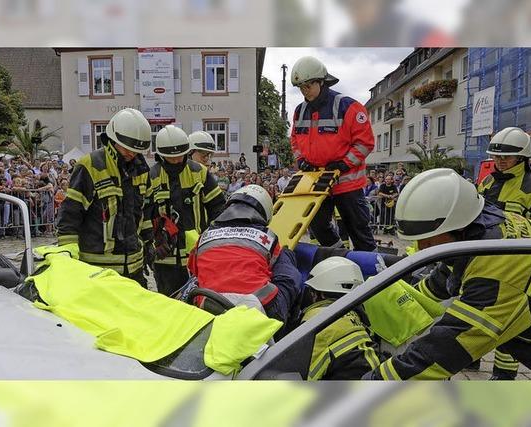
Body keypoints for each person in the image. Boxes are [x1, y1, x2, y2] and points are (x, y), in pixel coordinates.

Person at [363, 168, 531, 380]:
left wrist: (375, 382)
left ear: (458, 225)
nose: (422, 248)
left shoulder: (498, 272)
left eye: (429, 239)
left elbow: (448, 347)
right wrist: (406, 299)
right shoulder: (485, 227)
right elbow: (447, 274)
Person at [476, 127, 531, 380]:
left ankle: (504, 375)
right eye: (497, 157)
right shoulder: (487, 181)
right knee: (478, 314)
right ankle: (473, 357)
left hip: (518, 266)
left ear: (522, 157)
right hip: (485, 258)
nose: (500, 161)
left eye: (506, 156)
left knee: (506, 324)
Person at [187, 185, 303, 336]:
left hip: (208, 304)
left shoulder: (204, 236)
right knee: (287, 261)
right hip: (261, 307)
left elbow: (193, 271)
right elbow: (275, 267)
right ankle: (290, 324)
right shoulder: (268, 237)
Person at [56, 108, 154, 286]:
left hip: (134, 268)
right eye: (128, 149)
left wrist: (148, 242)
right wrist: (67, 255)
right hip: (98, 271)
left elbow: (144, 212)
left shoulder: (141, 170)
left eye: (136, 151)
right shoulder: (90, 166)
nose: (132, 155)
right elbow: (70, 215)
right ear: (113, 139)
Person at [290, 56, 376, 251]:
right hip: (317, 181)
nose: (305, 92)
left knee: (358, 230)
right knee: (318, 226)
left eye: (308, 86)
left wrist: (344, 164)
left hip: (346, 183)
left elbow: (365, 142)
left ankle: (374, 270)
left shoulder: (348, 106)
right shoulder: (299, 111)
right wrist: (301, 159)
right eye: (301, 88)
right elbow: (295, 139)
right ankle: (340, 255)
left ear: (321, 81)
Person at [146, 125, 225, 296]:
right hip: (166, 258)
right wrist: (152, 244)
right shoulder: (151, 177)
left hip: (198, 254)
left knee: (200, 301)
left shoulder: (199, 173)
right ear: (161, 154)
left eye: (179, 156)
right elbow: (144, 216)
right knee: (170, 304)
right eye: (171, 157)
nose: (176, 160)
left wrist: (213, 237)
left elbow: (218, 207)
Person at [301, 256, 380, 380]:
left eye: (312, 291)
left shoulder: (315, 321)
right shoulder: (360, 317)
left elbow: (298, 371)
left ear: (320, 294)